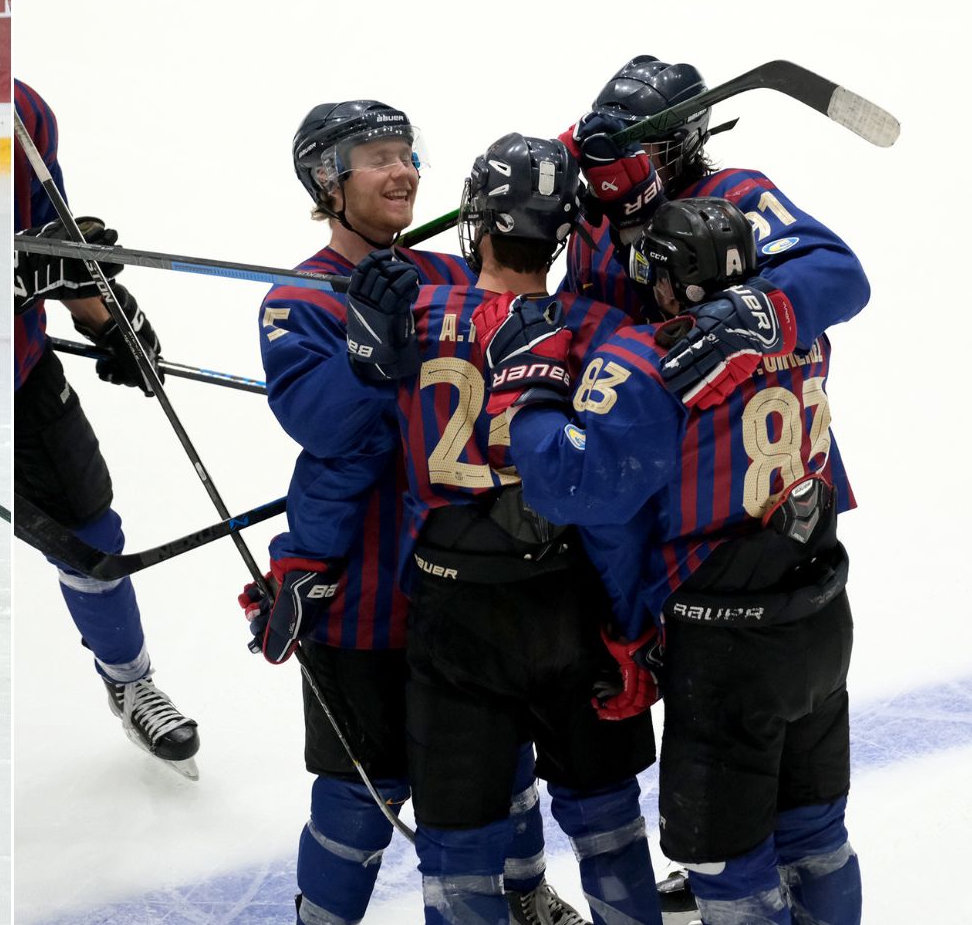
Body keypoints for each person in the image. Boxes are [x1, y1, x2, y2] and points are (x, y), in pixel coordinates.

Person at [243, 102, 589, 925]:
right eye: (376, 157)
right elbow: (322, 429)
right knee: (363, 791)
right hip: (364, 592)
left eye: (407, 154)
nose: (403, 171)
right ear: (327, 180)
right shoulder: (298, 302)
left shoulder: (451, 275)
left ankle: (526, 892)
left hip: (472, 580)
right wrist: (368, 352)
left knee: (503, 763)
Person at [488, 197, 862, 925]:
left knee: (729, 863)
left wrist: (531, 394)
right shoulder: (801, 331)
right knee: (816, 836)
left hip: (728, 646)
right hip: (821, 620)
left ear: (665, 281)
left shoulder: (648, 358)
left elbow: (578, 490)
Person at [345, 133, 661, 924]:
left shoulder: (409, 315)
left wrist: (364, 326)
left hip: (454, 612)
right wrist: (630, 625)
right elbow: (615, 510)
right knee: (610, 825)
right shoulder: (602, 330)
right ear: (559, 238)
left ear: (476, 226)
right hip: (569, 601)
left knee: (458, 854)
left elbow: (345, 442)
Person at [11, 79, 199, 778]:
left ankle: (128, 677)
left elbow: (51, 238)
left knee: (90, 537)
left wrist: (102, 313)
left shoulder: (23, 112)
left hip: (21, 369)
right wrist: (23, 274)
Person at [558, 56, 869, 410]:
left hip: (722, 430)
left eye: (641, 147)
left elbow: (840, 274)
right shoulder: (593, 220)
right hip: (626, 426)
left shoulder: (727, 201)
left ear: (683, 144)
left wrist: (749, 314)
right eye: (611, 146)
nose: (623, 163)